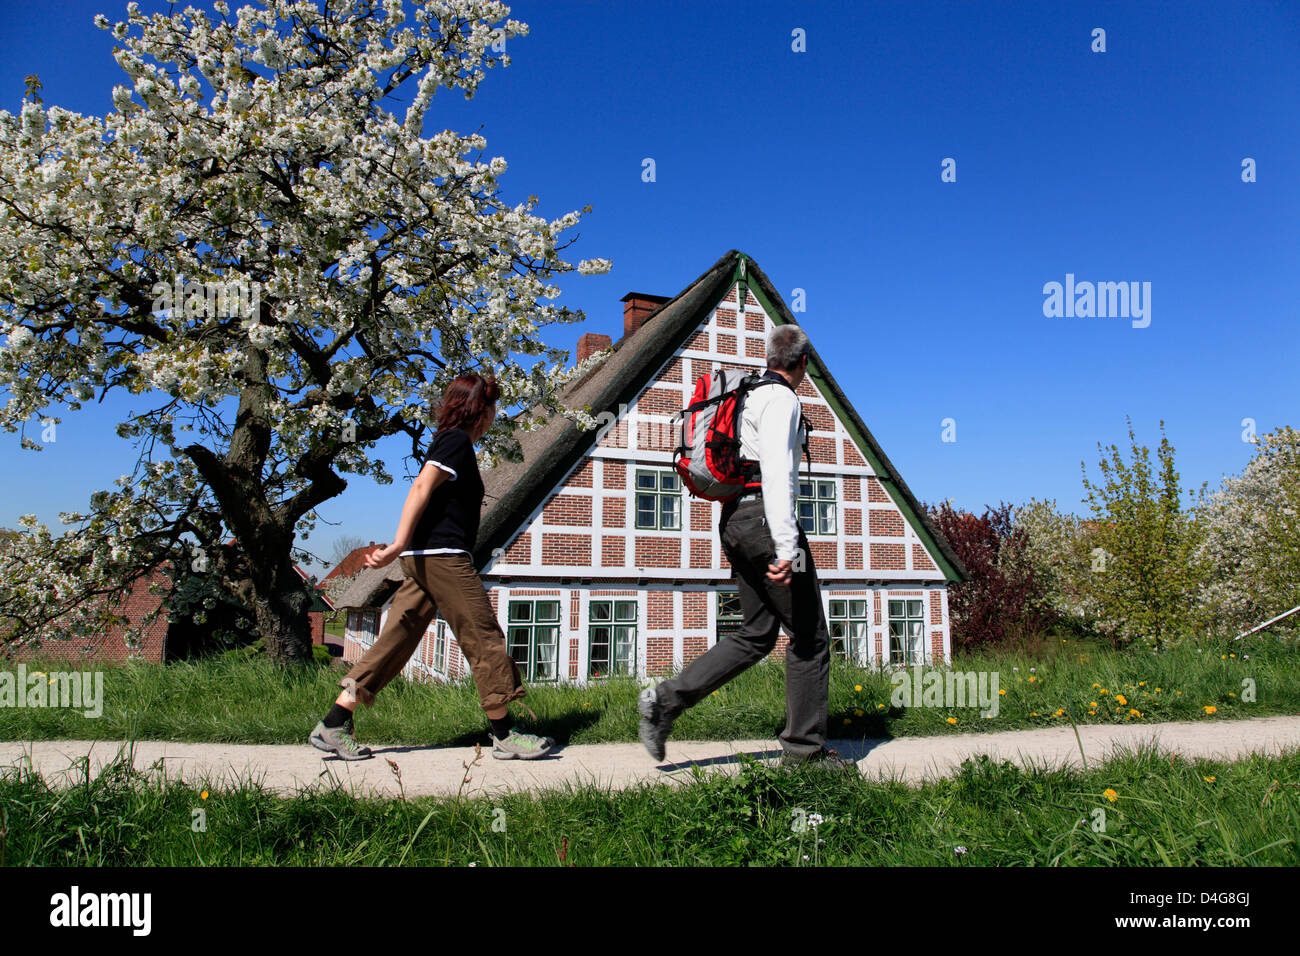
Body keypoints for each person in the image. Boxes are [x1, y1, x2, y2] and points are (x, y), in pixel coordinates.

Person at [309, 373, 554, 761]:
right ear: (479, 410)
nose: (493, 417)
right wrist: (398, 543)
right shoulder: (455, 441)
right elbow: (421, 486)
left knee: (396, 639)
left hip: (423, 561)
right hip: (442, 557)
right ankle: (506, 734)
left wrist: (405, 549)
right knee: (483, 635)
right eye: (490, 409)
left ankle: (335, 722)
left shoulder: (451, 442)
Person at [638, 325, 849, 769]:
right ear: (804, 363)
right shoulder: (782, 399)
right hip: (766, 522)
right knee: (810, 638)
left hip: (735, 520)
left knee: (756, 633)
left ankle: (664, 701)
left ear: (770, 356)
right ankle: (805, 754)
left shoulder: (747, 394)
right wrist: (787, 547)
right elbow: (777, 472)